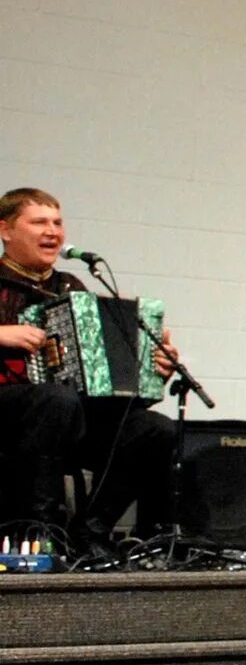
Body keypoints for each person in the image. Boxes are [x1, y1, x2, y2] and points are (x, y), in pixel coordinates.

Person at [0, 187, 178, 546]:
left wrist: (153, 367)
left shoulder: (72, 286)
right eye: (39, 222)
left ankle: (91, 533)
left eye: (57, 222)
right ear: (5, 231)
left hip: (66, 416)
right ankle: (40, 530)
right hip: (9, 413)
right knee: (56, 400)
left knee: (155, 430)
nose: (52, 231)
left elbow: (100, 375)